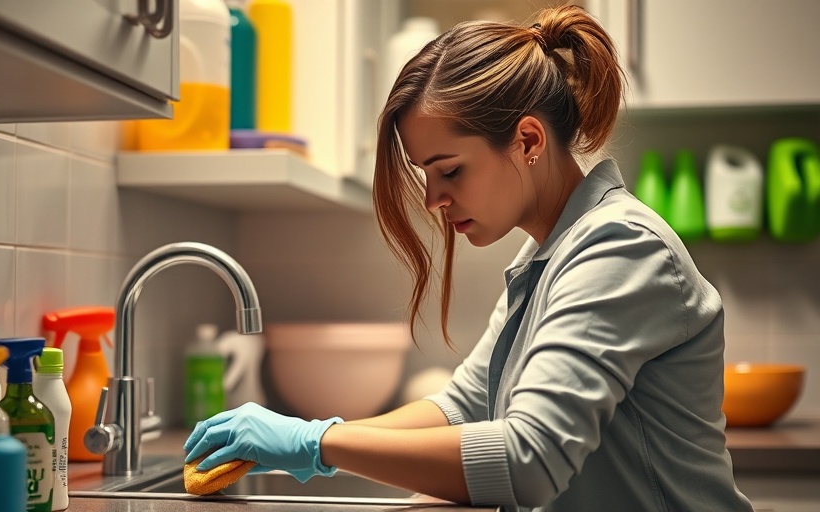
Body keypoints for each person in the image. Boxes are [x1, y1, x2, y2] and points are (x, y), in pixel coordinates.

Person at [184, 4, 755, 511]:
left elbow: (528, 461)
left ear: (528, 142)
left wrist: (317, 444)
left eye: (450, 169)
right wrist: (312, 439)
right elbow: (461, 407)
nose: (433, 198)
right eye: (424, 174)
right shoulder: (547, 257)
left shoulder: (619, 249)